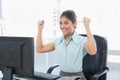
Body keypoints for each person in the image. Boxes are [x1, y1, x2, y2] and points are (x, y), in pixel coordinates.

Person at [36, 10, 97, 80]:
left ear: (74, 23)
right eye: (61, 23)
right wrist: (40, 30)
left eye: (66, 23)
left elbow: (92, 51)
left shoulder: (81, 41)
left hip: (77, 77)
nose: (62, 26)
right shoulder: (58, 41)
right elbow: (39, 49)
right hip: (62, 76)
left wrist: (87, 27)